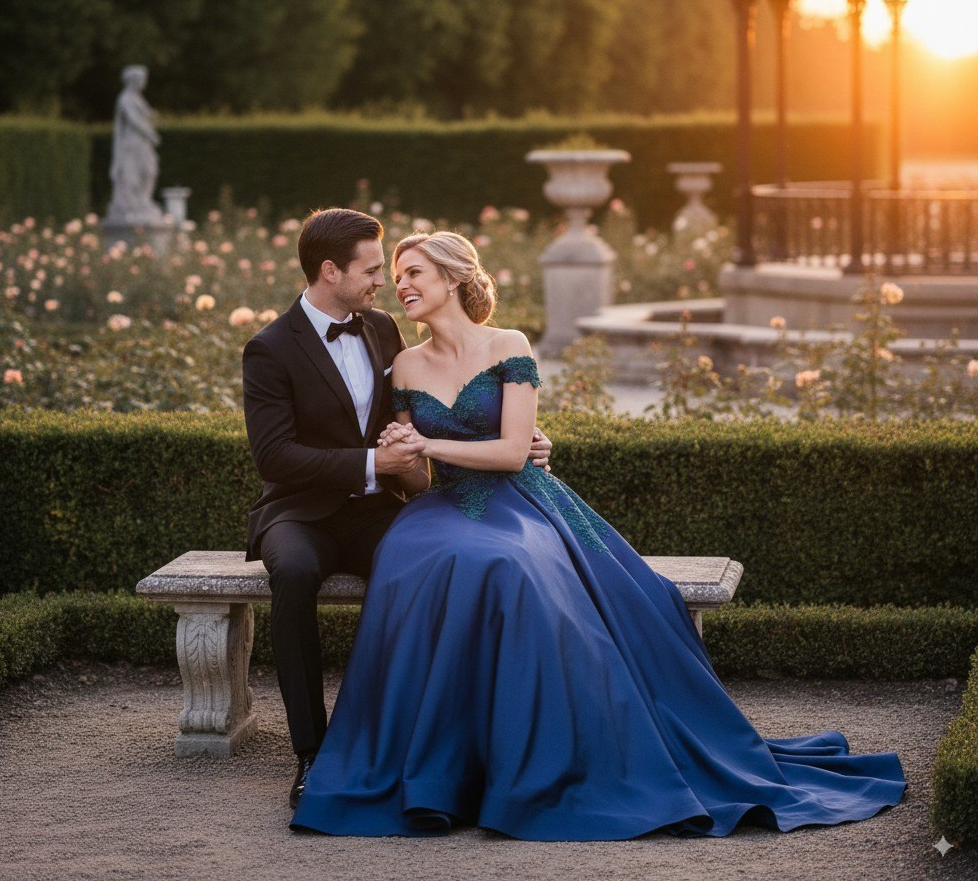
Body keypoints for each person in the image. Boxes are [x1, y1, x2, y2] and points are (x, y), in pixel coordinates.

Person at [290, 230, 906, 840]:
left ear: (452, 278)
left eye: (413, 273)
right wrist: (402, 449)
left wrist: (427, 441)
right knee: (413, 556)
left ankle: (529, 760)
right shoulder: (405, 363)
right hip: (442, 506)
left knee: (509, 566)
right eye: (396, 275)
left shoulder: (508, 345)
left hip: (520, 501)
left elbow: (512, 454)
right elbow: (419, 481)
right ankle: (438, 761)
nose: (400, 285)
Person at [241, 209, 551, 812]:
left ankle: (425, 736)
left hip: (378, 508)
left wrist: (526, 438)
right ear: (330, 271)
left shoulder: (382, 329)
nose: (384, 281)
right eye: (372, 270)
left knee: (433, 561)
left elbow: (439, 402)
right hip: (299, 513)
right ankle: (312, 751)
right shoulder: (270, 348)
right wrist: (374, 462)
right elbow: (274, 457)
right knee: (295, 574)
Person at [107, 65, 163, 225]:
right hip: (132, 144)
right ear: (134, 80)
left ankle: (143, 201)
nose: (144, 82)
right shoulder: (125, 98)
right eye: (142, 79)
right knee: (132, 175)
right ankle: (131, 204)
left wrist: (151, 117)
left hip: (143, 144)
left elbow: (146, 116)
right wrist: (150, 134)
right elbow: (134, 121)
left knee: (150, 171)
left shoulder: (137, 98)